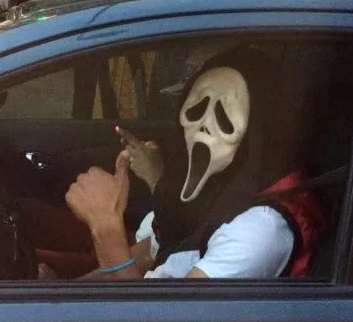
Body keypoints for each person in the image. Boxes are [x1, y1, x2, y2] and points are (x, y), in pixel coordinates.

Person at [38, 47, 326, 281]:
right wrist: (61, 295)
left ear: (254, 134)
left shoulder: (259, 232)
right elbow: (149, 253)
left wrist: (105, 224)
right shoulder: (216, 186)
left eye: (224, 117)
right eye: (196, 108)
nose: (203, 125)